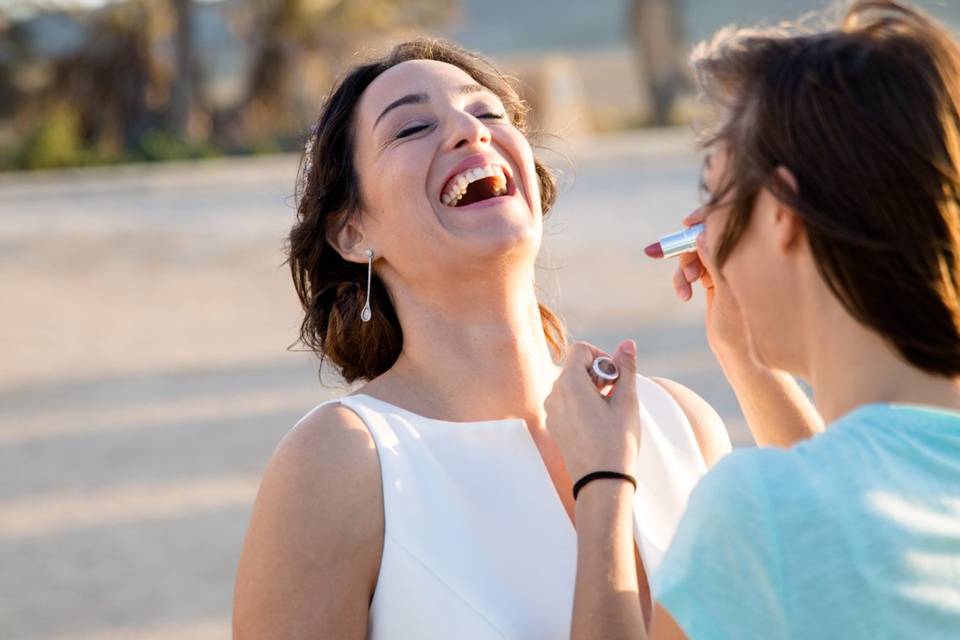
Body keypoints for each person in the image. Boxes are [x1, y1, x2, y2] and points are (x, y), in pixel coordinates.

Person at [233, 39, 745, 638]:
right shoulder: (341, 461)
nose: (467, 132)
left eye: (488, 113)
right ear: (352, 233)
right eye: (412, 127)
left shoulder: (680, 422)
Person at [545, 1, 960, 638]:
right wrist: (747, 357)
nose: (703, 230)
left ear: (783, 212)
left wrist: (601, 483)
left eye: (713, 191)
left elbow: (812, 525)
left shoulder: (762, 513)